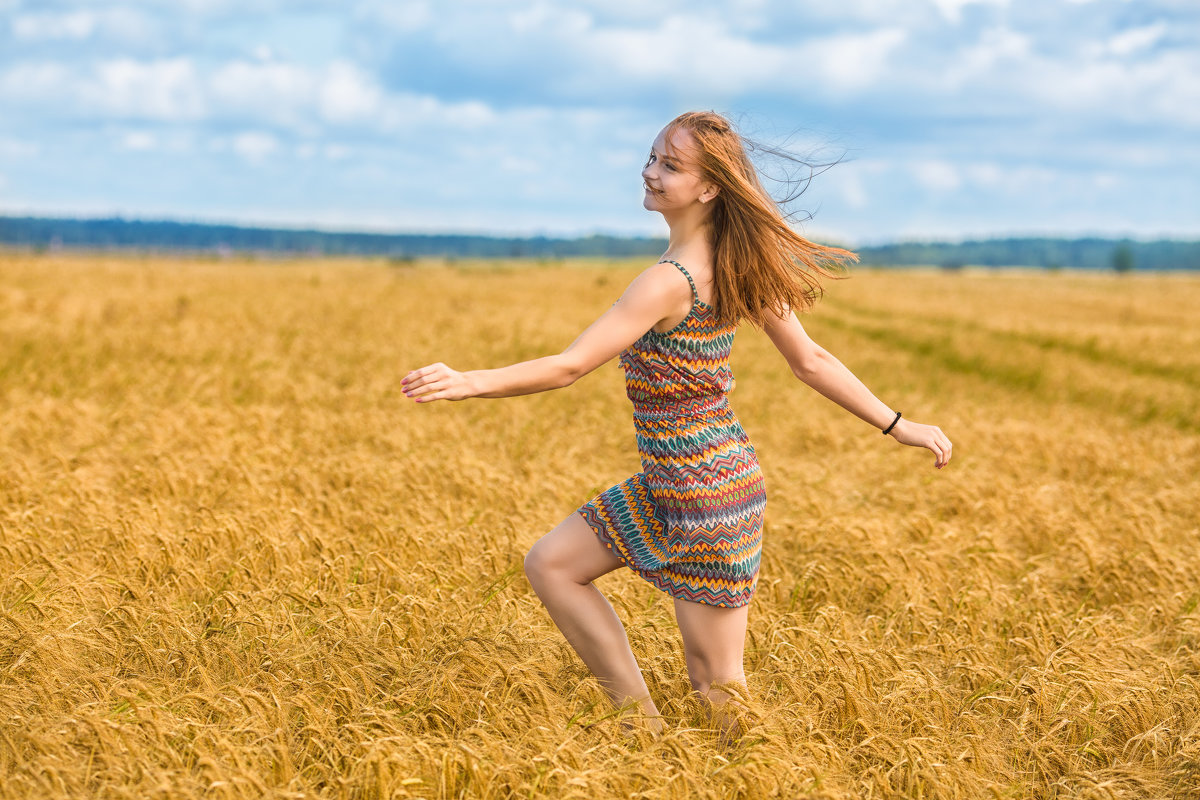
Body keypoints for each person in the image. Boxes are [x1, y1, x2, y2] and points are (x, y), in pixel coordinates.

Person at [402, 111, 952, 741]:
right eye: (652, 157)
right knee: (552, 565)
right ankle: (643, 732)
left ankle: (756, 776)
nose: (650, 173)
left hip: (707, 494)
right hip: (671, 483)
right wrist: (898, 424)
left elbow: (570, 366)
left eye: (670, 165)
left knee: (716, 681)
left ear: (710, 187)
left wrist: (469, 380)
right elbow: (811, 361)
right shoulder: (731, 261)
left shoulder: (671, 280)